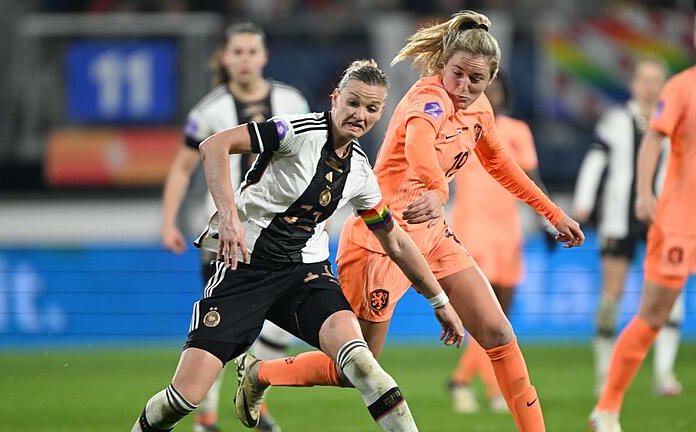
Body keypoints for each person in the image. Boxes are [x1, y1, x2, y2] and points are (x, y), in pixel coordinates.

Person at [241, 11, 584, 432]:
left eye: (475, 80)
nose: (463, 87)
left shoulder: (479, 111)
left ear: (490, 80)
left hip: (433, 236)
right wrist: (438, 190)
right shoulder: (428, 100)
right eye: (456, 74)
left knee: (498, 333)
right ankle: (261, 373)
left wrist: (553, 213)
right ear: (444, 65)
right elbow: (420, 144)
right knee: (356, 368)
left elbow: (502, 165)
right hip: (380, 241)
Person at [131, 59, 466, 432]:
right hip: (246, 267)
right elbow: (215, 145)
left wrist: (440, 301)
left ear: (381, 112)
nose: (360, 114)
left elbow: (396, 241)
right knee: (182, 400)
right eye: (353, 102)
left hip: (304, 273)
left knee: (363, 364)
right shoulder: (295, 131)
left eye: (371, 108)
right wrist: (227, 216)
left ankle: (258, 376)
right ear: (335, 98)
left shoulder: (359, 171)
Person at [160, 21, 309, 432]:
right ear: (225, 58)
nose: (244, 59)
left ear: (264, 57)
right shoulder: (209, 111)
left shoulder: (291, 100)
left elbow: (312, 159)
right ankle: (206, 419)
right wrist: (168, 220)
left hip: (284, 234)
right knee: (220, 329)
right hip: (227, 235)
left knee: (282, 330)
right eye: (237, 51)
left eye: (251, 51)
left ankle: (253, 398)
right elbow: (182, 169)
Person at [589, 29, 696, 432]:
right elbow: (655, 136)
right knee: (653, 313)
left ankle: (665, 374)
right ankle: (607, 407)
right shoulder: (683, 87)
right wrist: (643, 192)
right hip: (681, 221)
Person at [573, 57, 684, 398]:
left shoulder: (675, 118)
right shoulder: (615, 119)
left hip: (664, 218)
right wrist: (584, 199)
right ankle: (604, 373)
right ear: (634, 84)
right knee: (611, 296)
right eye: (644, 80)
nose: (650, 86)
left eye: (656, 80)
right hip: (619, 217)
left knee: (669, 296)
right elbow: (595, 159)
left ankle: (664, 373)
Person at [446, 72, 550, 414]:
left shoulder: (517, 132)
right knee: (488, 314)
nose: (492, 94)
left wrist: (547, 220)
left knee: (502, 315)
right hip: (472, 227)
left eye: (497, 88)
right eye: (486, 88)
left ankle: (463, 380)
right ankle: (489, 390)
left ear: (506, 93)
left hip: (507, 229)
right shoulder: (459, 126)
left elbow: (531, 179)